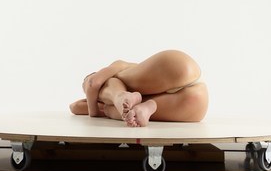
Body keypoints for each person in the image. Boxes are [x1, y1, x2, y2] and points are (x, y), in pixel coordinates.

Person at [69, 50, 208, 127]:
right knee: (116, 111)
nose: (89, 92)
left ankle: (121, 95)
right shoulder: (119, 103)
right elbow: (75, 107)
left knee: (110, 91)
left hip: (177, 66)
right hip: (197, 104)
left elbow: (93, 82)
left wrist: (93, 110)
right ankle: (146, 108)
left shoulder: (119, 67)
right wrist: (101, 106)